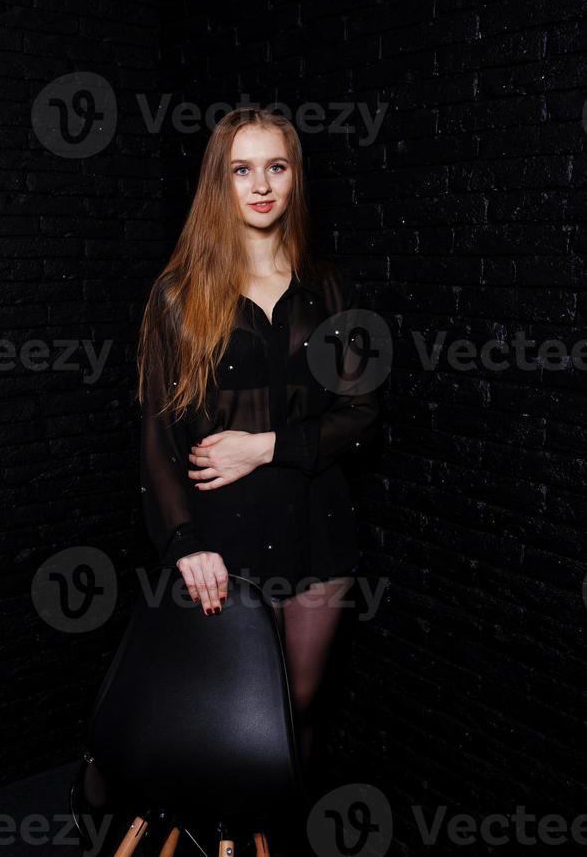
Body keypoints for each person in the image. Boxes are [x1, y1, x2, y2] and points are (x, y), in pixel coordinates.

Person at [136, 107, 381, 816]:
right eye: (242, 169)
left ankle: (279, 834)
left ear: (294, 177)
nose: (262, 185)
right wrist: (183, 544)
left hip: (317, 524)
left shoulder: (328, 288)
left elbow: (362, 416)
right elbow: (155, 433)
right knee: (231, 714)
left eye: (277, 166)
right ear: (221, 182)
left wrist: (262, 445)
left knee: (298, 710)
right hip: (225, 536)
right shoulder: (179, 294)